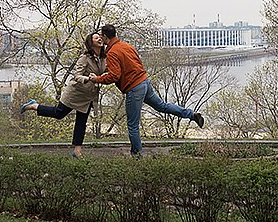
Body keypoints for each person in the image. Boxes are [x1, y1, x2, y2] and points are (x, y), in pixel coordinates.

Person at [89, 23, 204, 156]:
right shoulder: (127, 46)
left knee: (132, 125)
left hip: (134, 88)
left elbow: (114, 76)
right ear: (115, 34)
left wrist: (97, 79)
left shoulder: (113, 53)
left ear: (104, 37)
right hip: (144, 82)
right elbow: (135, 62)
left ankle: (137, 156)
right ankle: (191, 114)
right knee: (162, 106)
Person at [20, 32, 107, 158]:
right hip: (75, 93)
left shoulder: (103, 58)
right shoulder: (85, 58)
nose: (99, 38)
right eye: (96, 37)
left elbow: (105, 71)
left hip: (88, 96)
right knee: (59, 113)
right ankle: (34, 106)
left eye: (100, 36)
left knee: (81, 122)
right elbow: (77, 75)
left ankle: (77, 151)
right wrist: (88, 78)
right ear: (91, 42)